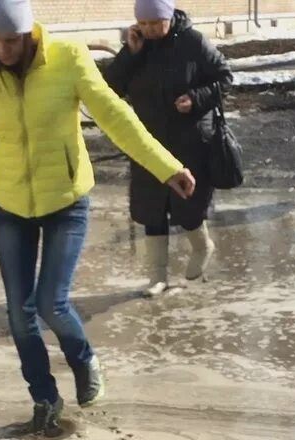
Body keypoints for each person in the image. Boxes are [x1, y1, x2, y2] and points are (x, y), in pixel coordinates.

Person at [0, 0, 197, 434]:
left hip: (66, 200)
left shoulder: (68, 58)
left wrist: (167, 167)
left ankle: (84, 361)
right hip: (11, 205)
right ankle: (44, 398)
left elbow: (116, 118)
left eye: (11, 40)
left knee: (51, 302)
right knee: (18, 311)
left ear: (29, 33)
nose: (2, 50)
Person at [104, 0, 233, 298]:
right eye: (143, 23)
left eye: (155, 23)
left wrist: (195, 98)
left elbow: (224, 77)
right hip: (147, 141)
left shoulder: (193, 42)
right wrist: (130, 55)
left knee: (188, 203)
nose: (148, 30)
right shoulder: (138, 46)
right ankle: (156, 277)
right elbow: (110, 88)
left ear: (169, 17)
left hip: (188, 140)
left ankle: (202, 246)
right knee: (152, 208)